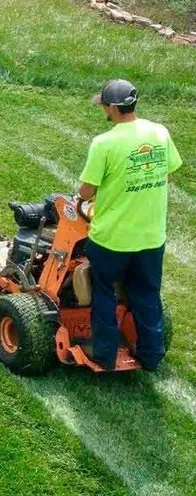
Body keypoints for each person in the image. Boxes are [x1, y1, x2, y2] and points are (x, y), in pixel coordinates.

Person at [76, 79, 183, 371]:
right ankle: (151, 356)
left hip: (111, 239)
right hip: (151, 236)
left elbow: (86, 192)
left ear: (111, 107)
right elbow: (167, 173)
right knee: (147, 294)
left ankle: (105, 355)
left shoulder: (104, 143)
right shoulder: (159, 133)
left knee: (104, 292)